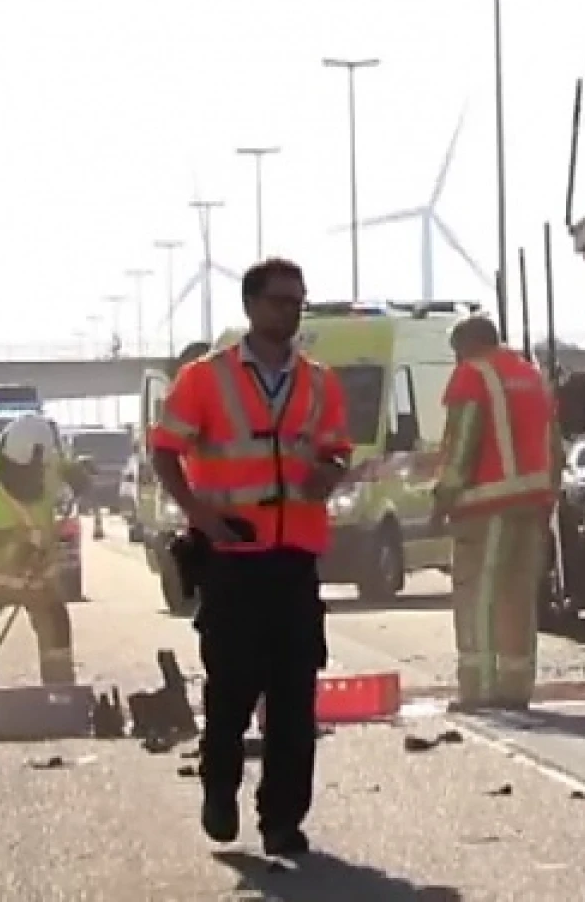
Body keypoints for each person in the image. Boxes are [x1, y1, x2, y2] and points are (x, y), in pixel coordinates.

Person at [148, 258, 352, 857]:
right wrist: (199, 514)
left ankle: (283, 819)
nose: (291, 311)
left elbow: (337, 450)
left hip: (293, 561)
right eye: (281, 300)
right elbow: (165, 452)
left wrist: (329, 473)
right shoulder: (204, 379)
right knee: (231, 690)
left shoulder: (320, 382)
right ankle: (220, 792)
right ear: (252, 306)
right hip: (233, 558)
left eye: (299, 301)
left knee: (294, 698)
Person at [428, 314, 560, 711]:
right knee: (518, 597)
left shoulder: (472, 376)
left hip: (486, 506)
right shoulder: (532, 376)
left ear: (466, 346)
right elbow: (554, 443)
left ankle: (480, 690)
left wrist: (444, 499)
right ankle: (516, 688)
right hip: (531, 502)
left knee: (479, 597)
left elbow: (461, 446)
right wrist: (547, 499)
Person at [0, 415, 78, 685]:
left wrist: (78, 474)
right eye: (22, 471)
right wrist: (18, 551)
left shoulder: (44, 468)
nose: (31, 478)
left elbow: (61, 470)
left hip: (36, 582)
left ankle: (60, 695)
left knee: (57, 628)